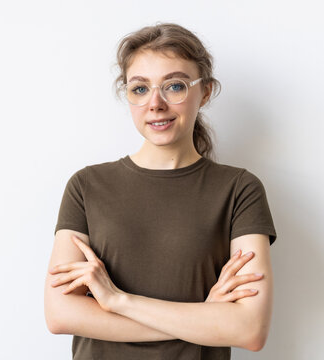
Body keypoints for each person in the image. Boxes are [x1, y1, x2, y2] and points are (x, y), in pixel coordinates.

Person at [44, 22, 277, 360]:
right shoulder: (87, 186)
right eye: (139, 89)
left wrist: (118, 301)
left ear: (206, 91)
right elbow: (60, 315)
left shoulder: (239, 189)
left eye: (175, 86)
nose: (155, 103)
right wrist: (204, 316)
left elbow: (250, 329)